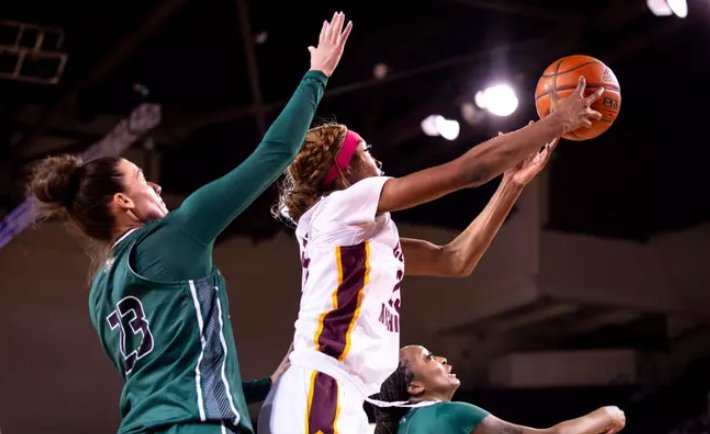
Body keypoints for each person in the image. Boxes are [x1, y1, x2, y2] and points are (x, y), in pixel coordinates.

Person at [26, 12, 353, 434]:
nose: (156, 185)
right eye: (143, 179)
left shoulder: (99, 297)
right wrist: (317, 74)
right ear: (123, 201)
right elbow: (275, 154)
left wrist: (262, 386)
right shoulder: (175, 235)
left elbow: (166, 375)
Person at [258, 79, 601, 434]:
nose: (375, 159)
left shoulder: (354, 241)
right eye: (364, 152)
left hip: (328, 390)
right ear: (345, 172)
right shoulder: (342, 206)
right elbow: (469, 171)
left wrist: (511, 185)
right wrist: (556, 122)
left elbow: (454, 260)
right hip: (321, 387)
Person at [374, 345, 627, 434]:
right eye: (429, 357)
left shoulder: (401, 426)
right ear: (415, 386)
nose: (441, 358)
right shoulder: (450, 414)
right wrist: (606, 415)